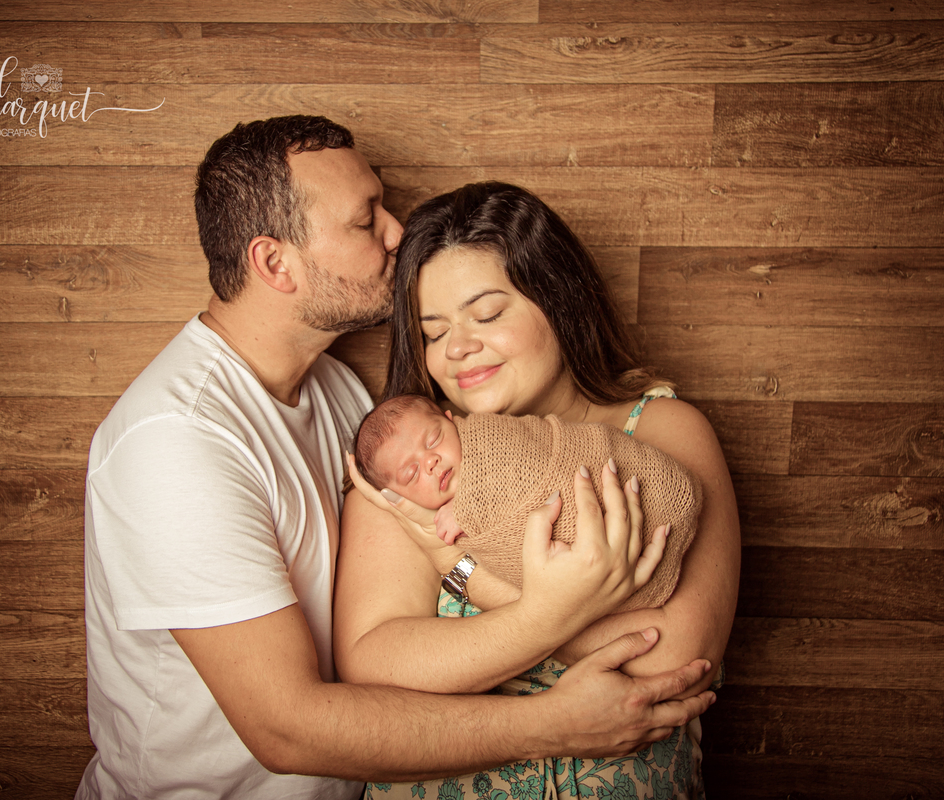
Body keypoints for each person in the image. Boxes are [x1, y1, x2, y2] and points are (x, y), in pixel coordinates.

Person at [77, 117, 717, 799]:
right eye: (365, 221)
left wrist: (467, 576)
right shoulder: (176, 442)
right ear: (274, 263)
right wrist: (550, 710)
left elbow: (676, 650)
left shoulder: (343, 399)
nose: (395, 231)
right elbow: (289, 724)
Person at [334, 182, 741, 798]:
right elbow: (374, 662)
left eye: (488, 314)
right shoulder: (414, 464)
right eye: (434, 331)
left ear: (558, 299)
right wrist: (557, 625)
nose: (458, 348)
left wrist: (459, 568)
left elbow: (672, 662)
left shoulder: (658, 429)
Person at [350, 393, 702, 616]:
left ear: (451, 419)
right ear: (399, 497)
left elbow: (521, 461)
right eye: (411, 474)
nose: (429, 462)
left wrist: (467, 506)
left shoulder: (491, 437)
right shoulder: (403, 526)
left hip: (654, 501)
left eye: (434, 439)